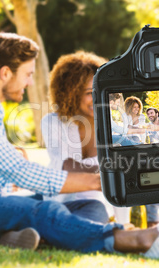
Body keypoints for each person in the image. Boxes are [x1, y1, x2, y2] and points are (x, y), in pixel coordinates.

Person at [0, 32, 159, 258]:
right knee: (45, 210)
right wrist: (98, 181)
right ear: (5, 73)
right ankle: (137, 240)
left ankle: (12, 237)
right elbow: (20, 173)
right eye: (28, 74)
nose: (30, 82)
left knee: (71, 208)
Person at [40, 51, 110, 223]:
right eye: (89, 92)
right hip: (61, 202)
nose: (97, 98)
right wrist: (111, 174)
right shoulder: (52, 122)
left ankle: (45, 232)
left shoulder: (114, 125)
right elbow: (65, 164)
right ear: (70, 93)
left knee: (95, 212)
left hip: (96, 206)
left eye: (101, 90)